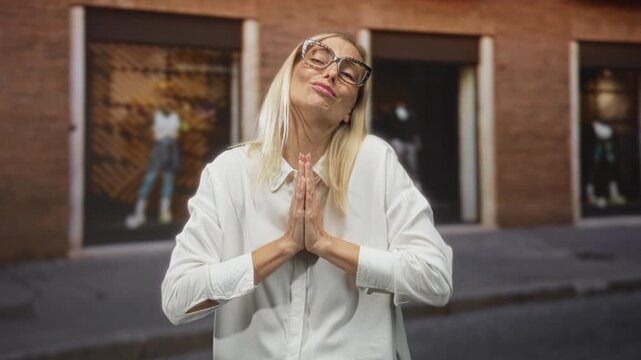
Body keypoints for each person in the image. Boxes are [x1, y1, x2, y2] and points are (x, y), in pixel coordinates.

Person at [161, 33, 453, 360]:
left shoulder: (375, 162)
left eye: (348, 73)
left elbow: (435, 279)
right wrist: (284, 246)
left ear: (349, 111)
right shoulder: (229, 172)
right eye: (318, 57)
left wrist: (326, 244)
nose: (331, 72)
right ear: (289, 75)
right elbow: (178, 298)